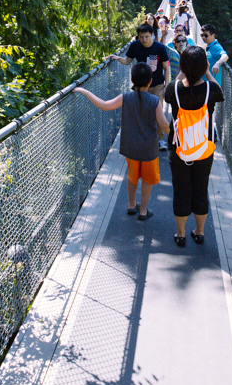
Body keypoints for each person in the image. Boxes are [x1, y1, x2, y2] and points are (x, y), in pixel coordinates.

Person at [74, 63, 169, 220]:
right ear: (150, 81)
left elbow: (104, 106)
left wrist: (85, 92)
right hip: (149, 149)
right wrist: (175, 136)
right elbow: (164, 124)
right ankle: (143, 210)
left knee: (132, 177)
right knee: (148, 179)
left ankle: (131, 205)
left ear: (131, 80)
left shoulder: (125, 98)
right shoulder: (154, 101)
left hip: (130, 147)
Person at [165, 46, 224, 247]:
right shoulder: (211, 90)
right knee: (200, 189)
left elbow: (168, 94)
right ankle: (199, 232)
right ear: (203, 65)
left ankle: (180, 234)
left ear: (182, 65)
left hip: (179, 148)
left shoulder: (173, 89)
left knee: (181, 190)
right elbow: (220, 93)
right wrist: (207, 72)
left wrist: (181, 72)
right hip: (204, 147)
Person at [110, 24, 171, 149]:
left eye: (147, 37)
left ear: (152, 35)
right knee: (142, 113)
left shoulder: (159, 48)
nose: (144, 40)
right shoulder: (135, 45)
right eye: (141, 37)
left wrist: (167, 85)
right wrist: (117, 58)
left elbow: (166, 67)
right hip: (140, 87)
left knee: (158, 114)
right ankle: (144, 137)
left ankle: (159, 140)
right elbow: (127, 61)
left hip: (157, 85)